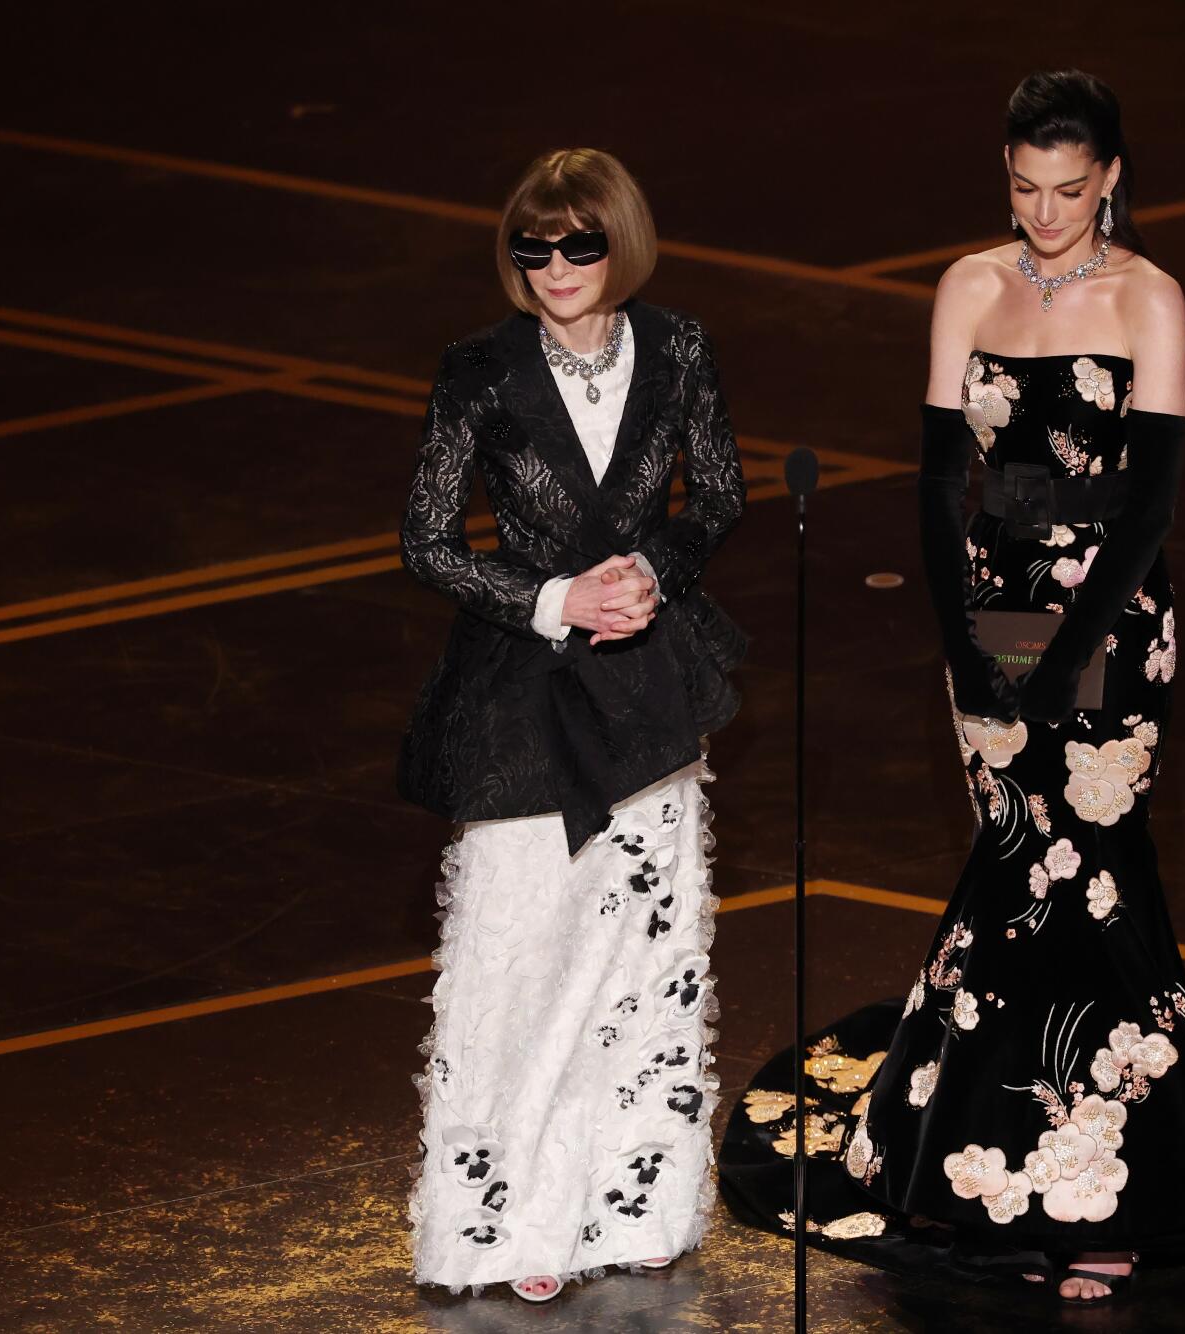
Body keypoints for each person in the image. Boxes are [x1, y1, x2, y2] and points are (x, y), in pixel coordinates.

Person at [719, 70, 1185, 1307]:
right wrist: (966, 640)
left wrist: (1063, 643)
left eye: (1069, 190)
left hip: (1110, 607)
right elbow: (931, 483)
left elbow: (1150, 503)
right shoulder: (967, 284)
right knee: (1015, 863)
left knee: (1090, 868)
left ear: (1112, 179)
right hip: (994, 596)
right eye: (1023, 187)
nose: (1044, 211)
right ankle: (988, 1162)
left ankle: (1112, 1184)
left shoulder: (1150, 299)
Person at [395, 148, 747, 1304]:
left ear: (619, 244)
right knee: (526, 957)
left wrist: (651, 565)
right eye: (531, 247)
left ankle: (635, 1200)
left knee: (643, 957)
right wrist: (555, 599)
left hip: (649, 687)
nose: (553, 267)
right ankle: (507, 1221)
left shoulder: (680, 346)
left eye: (578, 244)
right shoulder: (478, 373)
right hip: (520, 697)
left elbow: (721, 495)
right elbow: (428, 539)